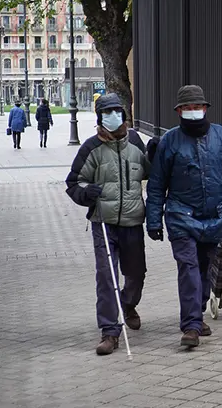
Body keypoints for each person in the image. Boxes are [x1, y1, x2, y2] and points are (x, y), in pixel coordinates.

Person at [146, 85, 222, 347]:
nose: (193, 111)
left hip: (214, 217)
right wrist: (154, 220)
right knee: (188, 268)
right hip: (180, 216)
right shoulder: (169, 142)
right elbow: (156, 184)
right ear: (178, 112)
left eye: (197, 107)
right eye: (187, 108)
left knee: (205, 268)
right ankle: (191, 326)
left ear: (205, 108)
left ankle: (198, 314)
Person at [65, 93, 151, 355]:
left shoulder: (135, 142)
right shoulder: (90, 148)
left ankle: (128, 304)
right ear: (100, 118)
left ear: (123, 115)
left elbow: (150, 172)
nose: (113, 116)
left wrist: (157, 155)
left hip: (133, 220)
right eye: (107, 112)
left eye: (116, 111)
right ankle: (110, 331)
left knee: (136, 273)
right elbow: (73, 182)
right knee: (106, 275)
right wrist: (85, 193)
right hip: (103, 222)